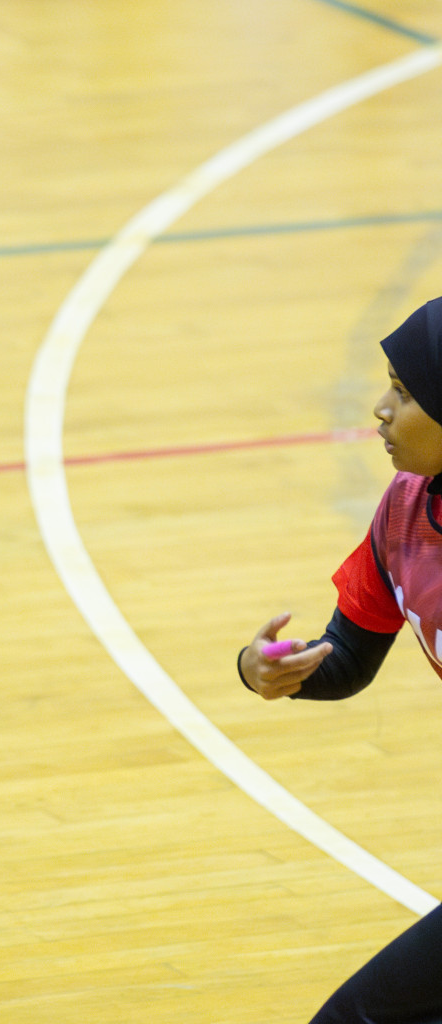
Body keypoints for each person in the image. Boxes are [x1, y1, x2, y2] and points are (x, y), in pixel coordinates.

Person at [238, 297, 442, 1024]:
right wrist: (267, 668)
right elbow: (350, 653)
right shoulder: (408, 508)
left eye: (407, 392)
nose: (382, 410)